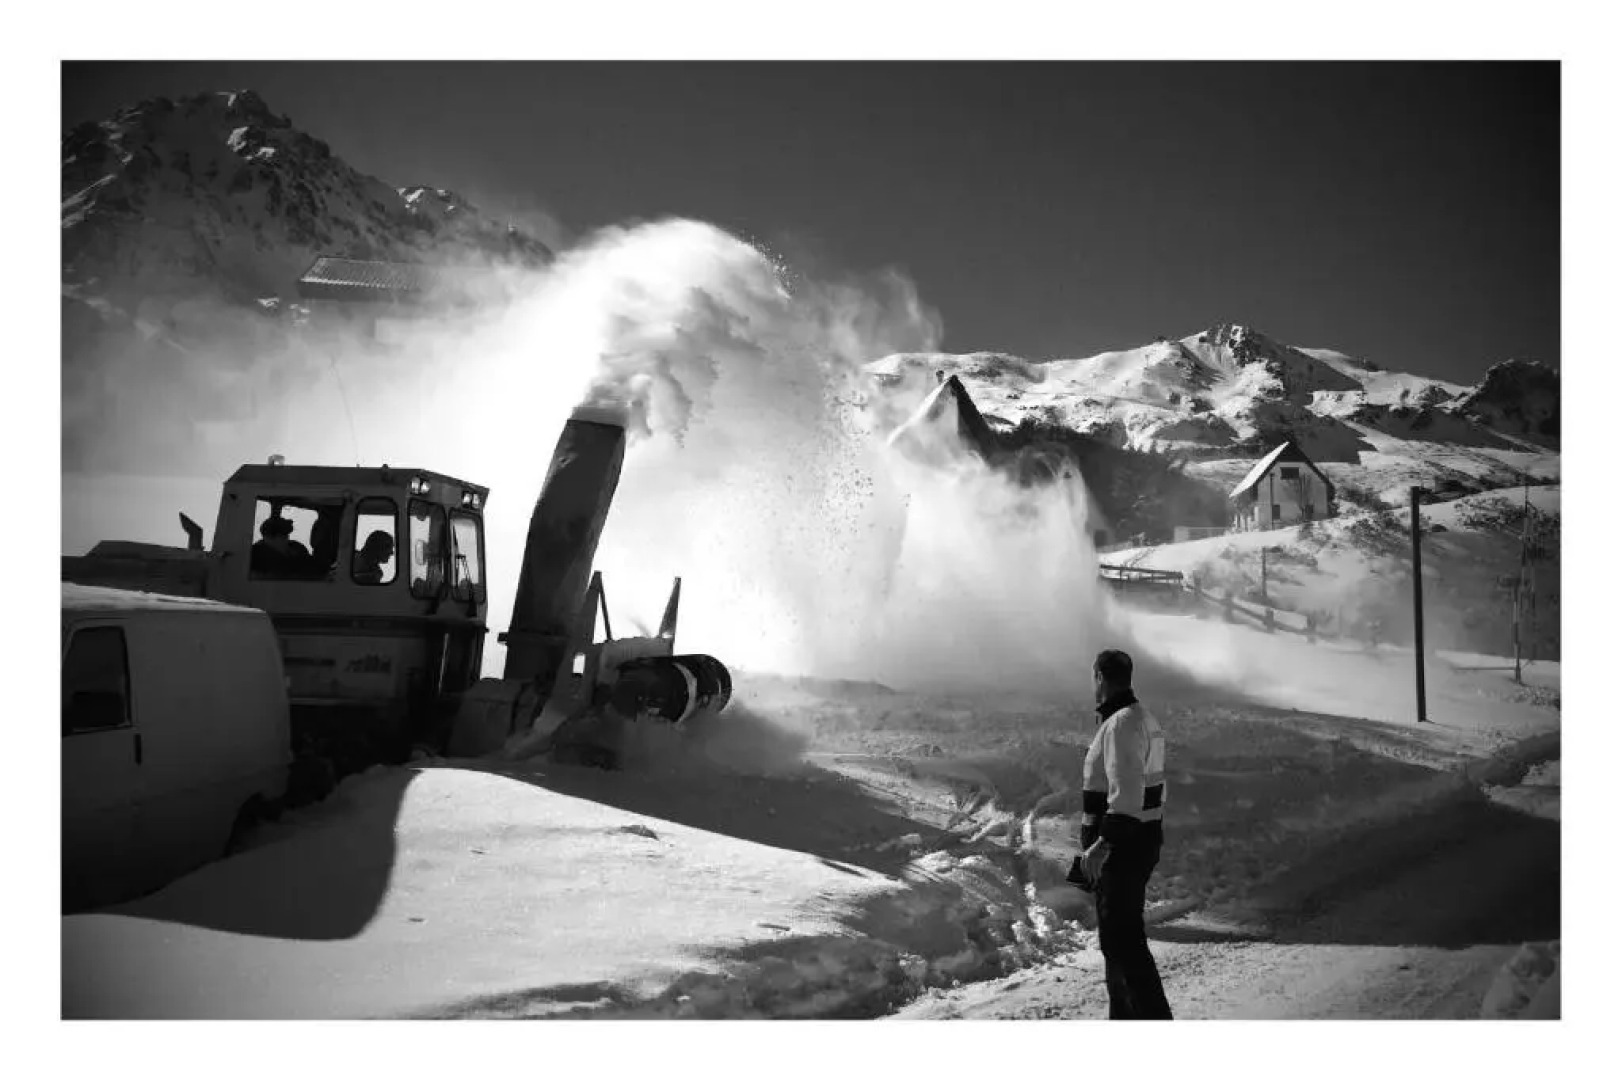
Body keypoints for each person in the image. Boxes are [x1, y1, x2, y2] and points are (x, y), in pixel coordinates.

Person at [1074, 648, 1173, 1020]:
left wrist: (1102, 844)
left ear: (1100, 677)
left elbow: (1126, 794)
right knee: (1118, 943)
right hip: (1140, 840)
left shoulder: (1120, 725)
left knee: (1123, 943)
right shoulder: (1141, 718)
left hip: (1122, 850)